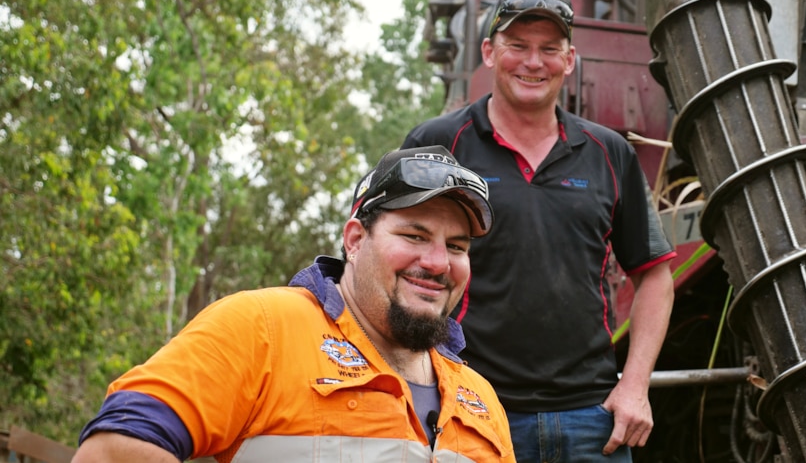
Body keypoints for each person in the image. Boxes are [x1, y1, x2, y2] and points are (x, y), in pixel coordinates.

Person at [71, 145, 516, 463]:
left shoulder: (480, 399)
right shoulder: (261, 328)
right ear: (356, 241)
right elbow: (111, 451)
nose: (438, 262)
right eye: (414, 236)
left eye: (457, 246)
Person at [401, 0, 677, 462]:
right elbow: (384, 257)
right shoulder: (441, 142)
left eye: (549, 49)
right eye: (517, 46)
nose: (533, 62)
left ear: (569, 60)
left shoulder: (608, 151)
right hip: (471, 409)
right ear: (489, 52)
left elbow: (654, 274)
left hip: (592, 419)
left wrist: (634, 388)